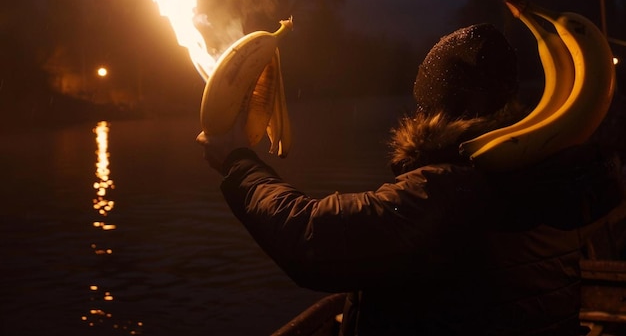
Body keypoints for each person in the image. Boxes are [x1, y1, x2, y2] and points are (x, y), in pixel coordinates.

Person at [197, 23, 625, 336]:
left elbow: (310, 238)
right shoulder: (554, 178)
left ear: (431, 108)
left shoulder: (444, 194)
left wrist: (238, 163)